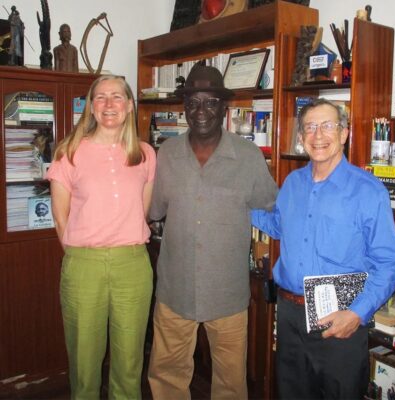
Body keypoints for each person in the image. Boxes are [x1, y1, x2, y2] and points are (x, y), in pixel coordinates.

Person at [252, 98, 395, 399]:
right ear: (301, 136)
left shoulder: (368, 191)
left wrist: (357, 313)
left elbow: (389, 263)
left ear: (344, 134)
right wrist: (235, 207)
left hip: (340, 317)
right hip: (290, 315)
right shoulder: (292, 183)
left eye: (327, 126)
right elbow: (279, 226)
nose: (318, 135)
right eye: (310, 127)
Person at [148, 63, 278, 399]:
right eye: (192, 103)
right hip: (175, 290)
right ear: (184, 108)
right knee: (166, 377)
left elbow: (270, 205)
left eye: (209, 103)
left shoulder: (248, 157)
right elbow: (154, 211)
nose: (200, 111)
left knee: (231, 384)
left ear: (224, 108)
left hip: (228, 294)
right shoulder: (166, 153)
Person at [46, 75, 156, 399]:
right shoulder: (68, 152)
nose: (110, 104)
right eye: (101, 98)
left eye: (117, 97)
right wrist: (85, 252)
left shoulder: (146, 154)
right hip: (84, 265)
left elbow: (143, 210)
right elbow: (60, 217)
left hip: (133, 264)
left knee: (130, 360)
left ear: (130, 106)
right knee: (84, 360)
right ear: (91, 108)